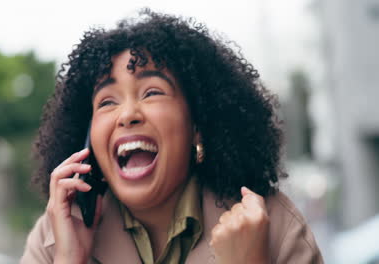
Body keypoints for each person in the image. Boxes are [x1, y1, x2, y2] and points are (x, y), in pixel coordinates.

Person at [21, 9, 323, 264]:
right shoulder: (54, 239)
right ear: (88, 139)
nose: (127, 114)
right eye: (107, 102)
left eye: (152, 92)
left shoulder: (273, 227)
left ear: (198, 125)